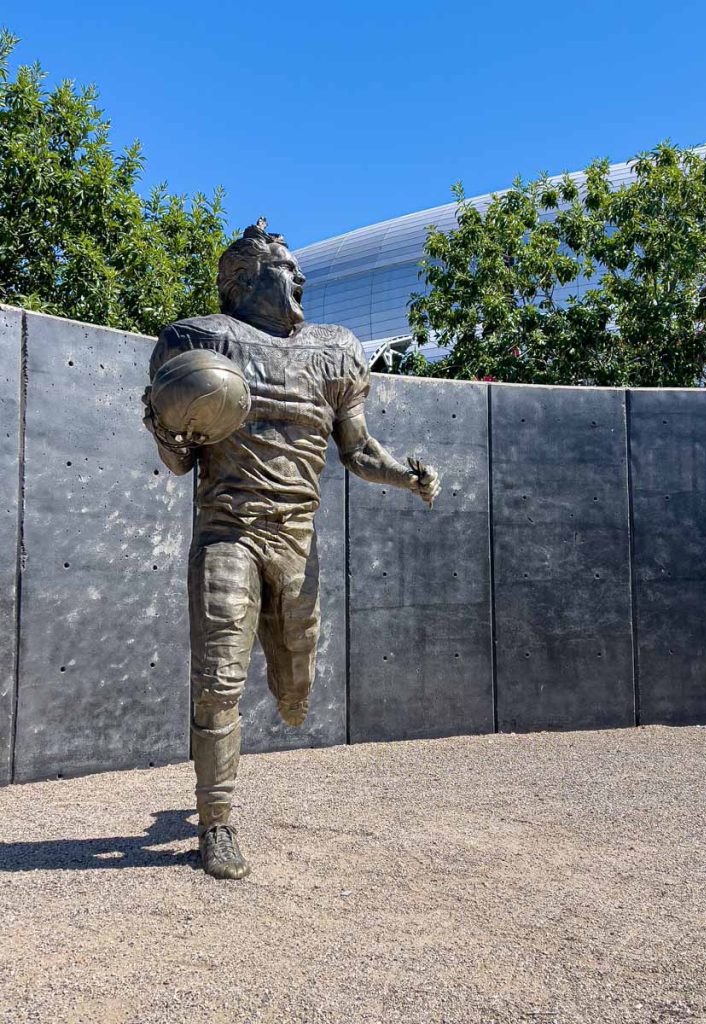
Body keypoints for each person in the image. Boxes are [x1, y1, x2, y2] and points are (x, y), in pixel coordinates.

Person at [143, 221, 440, 880]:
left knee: (294, 682)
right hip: (228, 531)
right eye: (285, 267)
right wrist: (165, 421)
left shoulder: (335, 351)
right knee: (219, 679)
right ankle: (216, 820)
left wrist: (408, 476)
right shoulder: (197, 344)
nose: (299, 277)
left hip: (294, 539)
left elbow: (358, 450)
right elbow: (179, 460)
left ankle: (290, 687)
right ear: (243, 281)